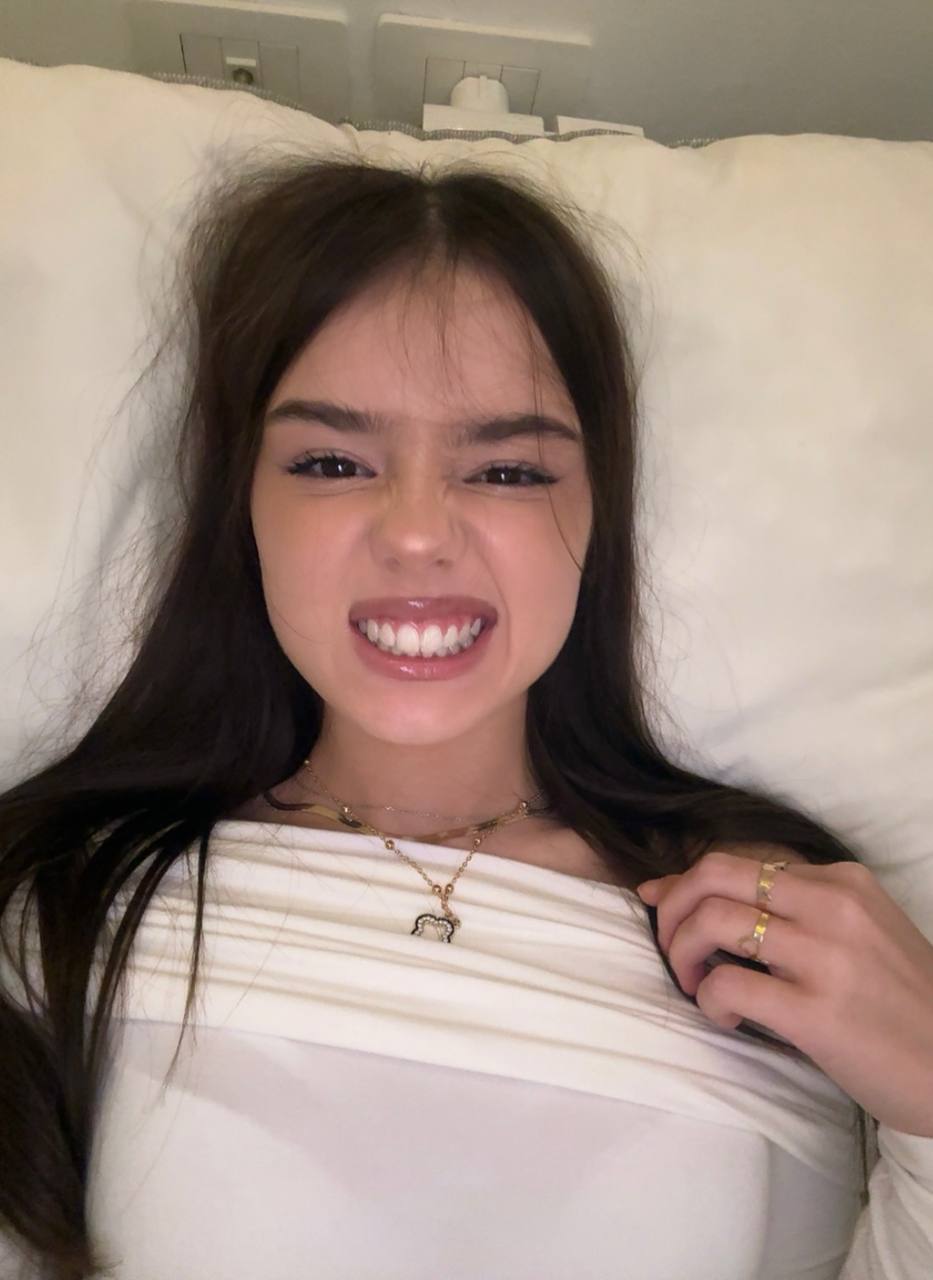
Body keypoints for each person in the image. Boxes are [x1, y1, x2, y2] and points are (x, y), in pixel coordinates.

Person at [1, 152, 931, 1279]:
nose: (415, 532)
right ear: (241, 505)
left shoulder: (772, 923)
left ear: (600, 513)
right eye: (332, 460)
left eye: (506, 472)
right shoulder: (62, 909)